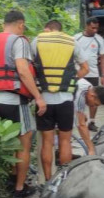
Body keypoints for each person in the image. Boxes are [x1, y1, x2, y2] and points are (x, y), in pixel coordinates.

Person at [0, 11, 46, 198]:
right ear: (21, 24)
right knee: (24, 143)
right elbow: (22, 70)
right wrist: (38, 97)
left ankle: (12, 177)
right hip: (14, 100)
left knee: (12, 142)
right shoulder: (18, 41)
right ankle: (20, 188)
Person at [31, 20, 89, 179]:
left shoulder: (37, 40)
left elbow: (29, 67)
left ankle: (48, 181)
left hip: (43, 100)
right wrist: (72, 79)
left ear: (48, 29)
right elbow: (86, 68)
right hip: (65, 100)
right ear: (60, 29)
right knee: (65, 141)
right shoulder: (72, 41)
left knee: (47, 143)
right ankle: (63, 180)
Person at [73, 18, 104, 130]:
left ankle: (91, 122)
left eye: (97, 28)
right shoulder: (76, 38)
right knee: (77, 96)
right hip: (79, 72)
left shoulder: (99, 39)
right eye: (93, 27)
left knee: (94, 99)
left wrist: (103, 75)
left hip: (93, 73)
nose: (95, 30)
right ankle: (78, 119)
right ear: (86, 26)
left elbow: (103, 57)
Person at [72, 79, 104, 156]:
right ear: (92, 96)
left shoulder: (89, 87)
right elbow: (81, 125)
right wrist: (91, 148)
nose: (93, 106)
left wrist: (81, 113)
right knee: (67, 126)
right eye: (95, 104)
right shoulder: (81, 94)